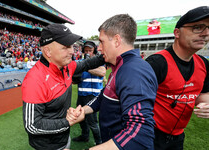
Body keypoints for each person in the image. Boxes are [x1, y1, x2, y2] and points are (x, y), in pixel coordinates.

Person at [68, 14, 158, 150]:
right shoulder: (121, 65)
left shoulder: (133, 70)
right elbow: (103, 97)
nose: (98, 48)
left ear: (116, 40)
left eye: (102, 42)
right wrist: (84, 111)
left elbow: (140, 134)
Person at [21, 23, 105, 150]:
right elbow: (32, 125)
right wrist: (68, 122)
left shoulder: (67, 66)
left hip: (64, 138)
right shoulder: (35, 79)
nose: (72, 51)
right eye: (65, 47)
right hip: (47, 146)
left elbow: (87, 63)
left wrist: (106, 56)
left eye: (71, 46)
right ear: (48, 51)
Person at [145, 6, 209, 150]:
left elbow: (203, 97)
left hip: (178, 138)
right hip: (151, 135)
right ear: (177, 33)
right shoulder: (157, 63)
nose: (206, 33)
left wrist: (205, 106)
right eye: (198, 27)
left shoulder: (204, 64)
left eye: (208, 28)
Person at [72, 41, 106, 145]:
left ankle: (99, 142)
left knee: (92, 122)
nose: (87, 52)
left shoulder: (99, 61)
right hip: (81, 95)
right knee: (80, 118)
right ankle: (84, 136)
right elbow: (74, 79)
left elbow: (102, 72)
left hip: (93, 96)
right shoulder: (80, 62)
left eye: (90, 50)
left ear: (94, 51)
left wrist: (86, 66)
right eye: (86, 50)